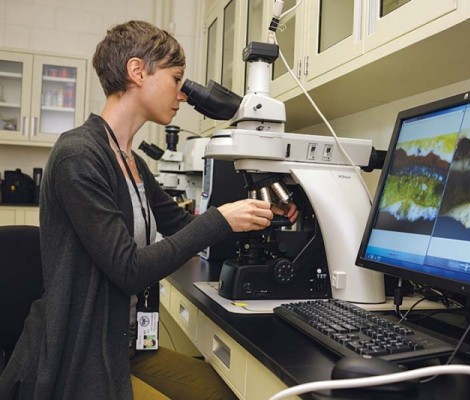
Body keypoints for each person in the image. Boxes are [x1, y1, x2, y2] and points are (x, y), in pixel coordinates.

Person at [0, 20, 297, 399]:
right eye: (177, 79)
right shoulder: (79, 156)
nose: (183, 94)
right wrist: (221, 217)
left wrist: (262, 216)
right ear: (137, 71)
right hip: (80, 356)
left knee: (223, 393)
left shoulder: (133, 162)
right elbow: (128, 270)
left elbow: (183, 224)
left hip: (125, 347)